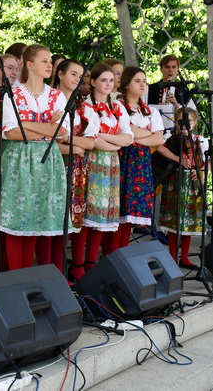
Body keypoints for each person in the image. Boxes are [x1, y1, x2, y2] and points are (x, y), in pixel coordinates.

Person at [0, 44, 68, 271]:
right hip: (19, 159)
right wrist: (47, 127)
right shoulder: (12, 94)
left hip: (47, 161)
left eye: (50, 61)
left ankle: (26, 275)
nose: (50, 65)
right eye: (44, 61)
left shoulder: (57, 95)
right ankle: (14, 276)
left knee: (34, 220)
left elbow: (62, 132)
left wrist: (25, 124)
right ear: (29, 65)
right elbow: (10, 133)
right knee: (16, 217)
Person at [71, 63, 134, 280]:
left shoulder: (117, 106)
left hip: (111, 164)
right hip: (91, 161)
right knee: (86, 214)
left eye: (110, 80)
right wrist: (114, 143)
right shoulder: (86, 106)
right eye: (103, 80)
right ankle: (77, 264)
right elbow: (92, 139)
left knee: (102, 215)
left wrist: (107, 138)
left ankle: (91, 263)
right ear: (93, 82)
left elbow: (128, 138)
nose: (108, 84)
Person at [44, 59, 98, 276]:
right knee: (50, 219)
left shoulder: (83, 109)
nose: (78, 79)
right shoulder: (48, 102)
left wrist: (69, 142)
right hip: (52, 167)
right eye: (73, 74)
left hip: (76, 170)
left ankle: (60, 271)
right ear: (60, 74)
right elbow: (48, 142)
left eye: (80, 75)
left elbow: (90, 143)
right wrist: (74, 147)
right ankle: (48, 272)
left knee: (67, 222)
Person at [112, 67, 165, 252]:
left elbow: (158, 139)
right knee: (117, 209)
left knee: (130, 210)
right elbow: (125, 130)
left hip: (141, 163)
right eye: (137, 81)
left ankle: (122, 252)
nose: (143, 84)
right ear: (126, 84)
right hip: (122, 159)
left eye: (144, 81)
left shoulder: (150, 111)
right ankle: (112, 252)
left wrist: (134, 136)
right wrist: (147, 133)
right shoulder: (117, 106)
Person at [156, 108, 208, 267]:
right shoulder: (170, 138)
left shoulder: (200, 140)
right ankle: (173, 258)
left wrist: (199, 170)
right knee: (173, 221)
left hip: (192, 183)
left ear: (195, 123)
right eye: (181, 121)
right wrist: (178, 159)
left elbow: (207, 162)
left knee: (189, 221)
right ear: (175, 122)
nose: (185, 124)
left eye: (189, 121)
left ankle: (184, 257)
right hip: (175, 181)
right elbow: (159, 148)